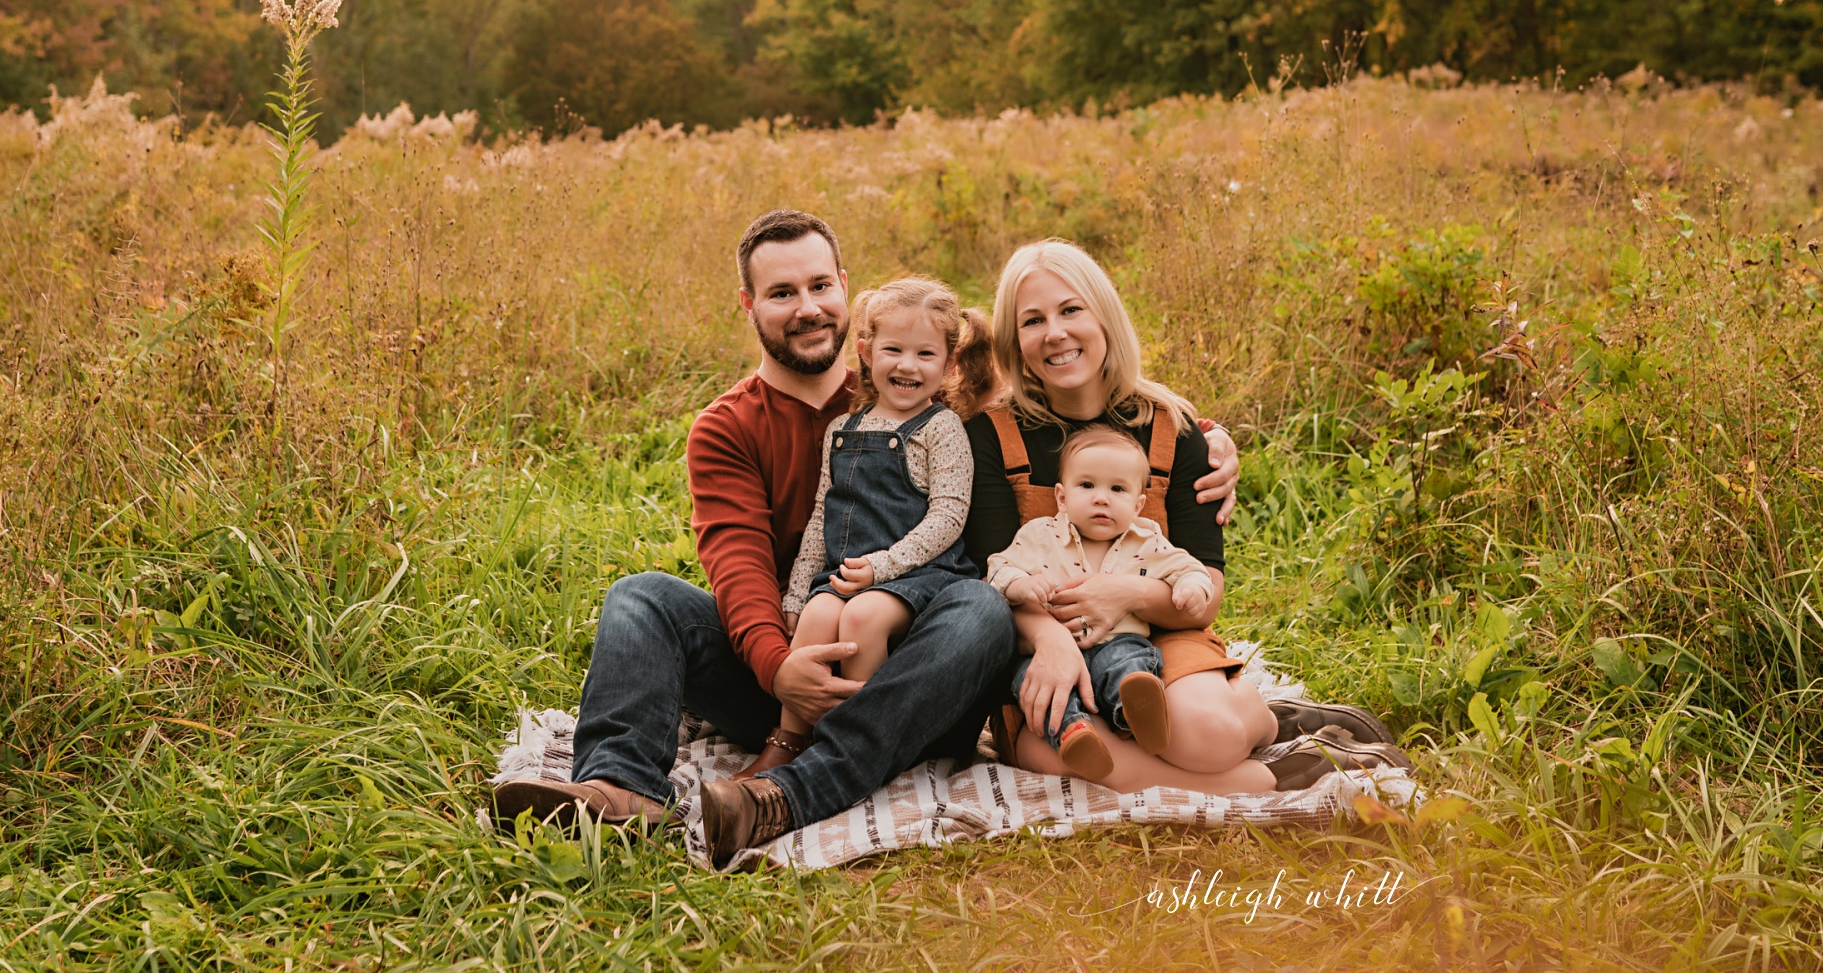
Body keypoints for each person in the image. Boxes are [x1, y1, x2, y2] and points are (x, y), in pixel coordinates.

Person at [492, 210, 1244, 861]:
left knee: (979, 607)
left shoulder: (912, 386)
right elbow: (737, 561)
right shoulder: (727, 426)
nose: (807, 306)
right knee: (641, 597)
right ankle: (619, 789)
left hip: (916, 673)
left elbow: (1066, 397)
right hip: (792, 655)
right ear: (750, 305)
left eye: (820, 286)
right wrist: (779, 663)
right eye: (782, 292)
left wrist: (1210, 435)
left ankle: (789, 794)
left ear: (847, 292)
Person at [961, 238, 1393, 793]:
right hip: (1040, 643)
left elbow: (1205, 594)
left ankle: (1258, 717)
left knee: (1204, 735)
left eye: (1072, 310)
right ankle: (1270, 777)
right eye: (1033, 320)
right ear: (1014, 342)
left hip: (1157, 635)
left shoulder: (1174, 430)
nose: (1055, 333)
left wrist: (1124, 594)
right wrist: (1049, 641)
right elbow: (988, 578)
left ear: (1105, 316)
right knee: (1044, 751)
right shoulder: (991, 437)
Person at [748, 278, 991, 778]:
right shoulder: (843, 430)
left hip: (919, 574)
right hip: (848, 570)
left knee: (861, 620)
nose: (907, 365)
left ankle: (856, 745)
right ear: (865, 351)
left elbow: (948, 517)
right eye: (893, 350)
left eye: (925, 354)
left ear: (948, 365)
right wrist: (795, 596)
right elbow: (822, 516)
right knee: (816, 619)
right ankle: (789, 740)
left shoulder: (941, 429)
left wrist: (882, 567)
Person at [986, 425, 1273, 790]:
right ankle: (1075, 733)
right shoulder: (1040, 536)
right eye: (1086, 486)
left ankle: (1136, 716)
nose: (1101, 499)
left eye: (1117, 489)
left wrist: (1190, 587)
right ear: (1061, 497)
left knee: (1126, 666)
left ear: (1138, 504)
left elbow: (1188, 568)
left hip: (1119, 642)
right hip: (1051, 655)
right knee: (1039, 698)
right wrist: (1020, 584)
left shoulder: (1146, 539)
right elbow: (998, 568)